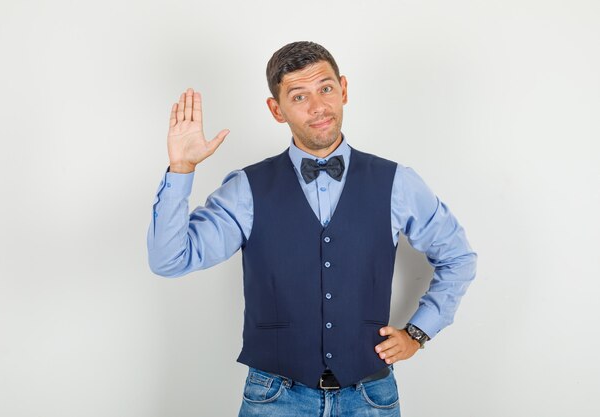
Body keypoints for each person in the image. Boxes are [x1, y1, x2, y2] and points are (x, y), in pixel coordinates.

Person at [147, 41, 477, 416]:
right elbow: (169, 259)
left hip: (371, 396)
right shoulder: (246, 189)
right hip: (274, 397)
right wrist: (181, 170)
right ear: (277, 110)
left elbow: (458, 257)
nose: (318, 107)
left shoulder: (398, 182)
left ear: (344, 90)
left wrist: (418, 333)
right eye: (299, 96)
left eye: (326, 89)